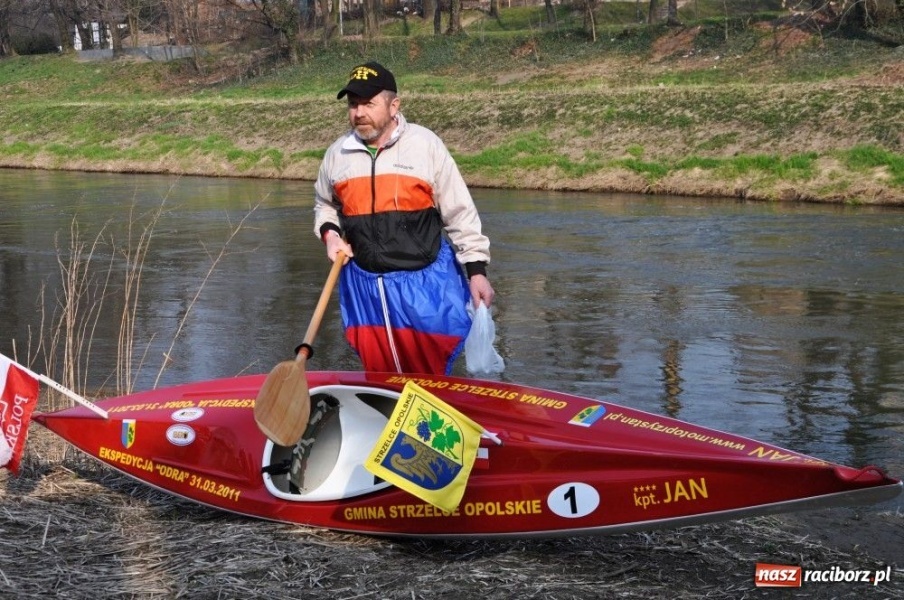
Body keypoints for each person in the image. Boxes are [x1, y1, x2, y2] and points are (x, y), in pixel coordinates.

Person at [314, 61, 495, 375]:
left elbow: (460, 212)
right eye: (353, 105)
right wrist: (330, 234)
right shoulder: (337, 154)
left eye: (368, 104)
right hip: (364, 289)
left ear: (393, 105)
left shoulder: (425, 146)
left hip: (425, 289)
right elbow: (325, 204)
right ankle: (386, 420)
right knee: (380, 378)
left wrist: (476, 271)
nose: (358, 113)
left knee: (431, 379)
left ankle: (429, 423)